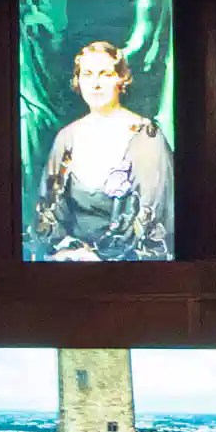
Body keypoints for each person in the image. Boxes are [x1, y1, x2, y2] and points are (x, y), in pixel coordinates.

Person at [29, 31, 178, 262]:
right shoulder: (66, 138)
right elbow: (48, 214)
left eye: (105, 74)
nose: (96, 84)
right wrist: (70, 252)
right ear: (78, 81)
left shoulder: (147, 138)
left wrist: (102, 258)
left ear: (121, 80)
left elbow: (154, 225)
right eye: (87, 75)